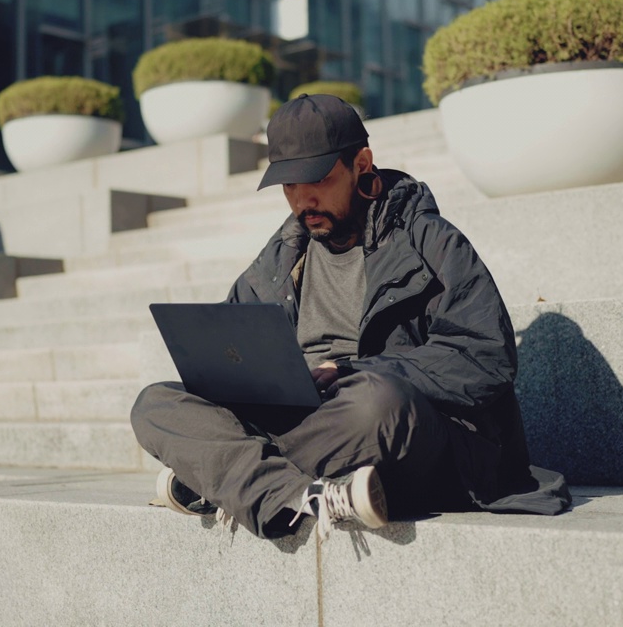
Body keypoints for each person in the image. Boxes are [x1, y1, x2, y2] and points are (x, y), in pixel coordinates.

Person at [131, 94, 570, 540]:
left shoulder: (429, 241)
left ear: (362, 164)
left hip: (405, 430)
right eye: (288, 186)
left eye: (317, 179)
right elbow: (234, 355)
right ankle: (294, 492)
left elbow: (484, 358)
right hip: (310, 423)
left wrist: (349, 370)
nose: (303, 200)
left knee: (376, 403)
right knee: (154, 404)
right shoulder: (281, 257)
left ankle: (227, 477)